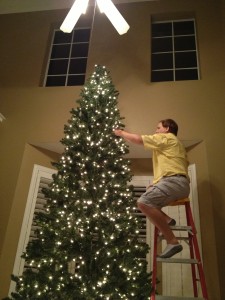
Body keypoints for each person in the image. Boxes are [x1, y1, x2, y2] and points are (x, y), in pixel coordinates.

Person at [114, 119, 190, 258]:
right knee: (151, 198)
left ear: (167, 129)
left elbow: (138, 139)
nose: (156, 131)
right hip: (180, 183)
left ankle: (173, 242)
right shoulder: (176, 144)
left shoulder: (166, 137)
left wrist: (120, 133)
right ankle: (167, 220)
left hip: (174, 181)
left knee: (143, 202)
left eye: (158, 128)